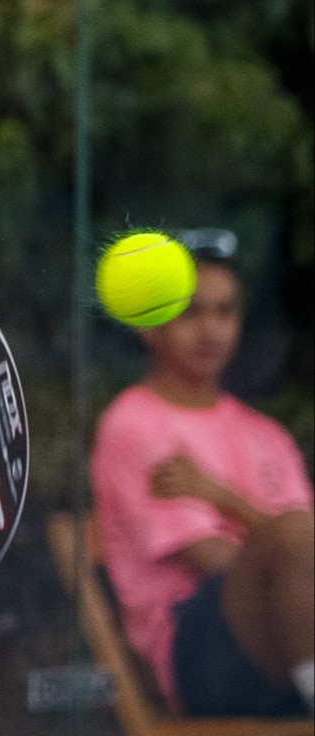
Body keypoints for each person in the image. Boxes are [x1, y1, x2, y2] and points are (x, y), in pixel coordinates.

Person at [90, 229, 314, 718]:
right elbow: (216, 559)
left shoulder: (268, 435)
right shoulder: (134, 423)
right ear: (150, 325)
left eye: (225, 312)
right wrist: (283, 543)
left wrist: (223, 498)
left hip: (284, 640)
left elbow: (303, 560)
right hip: (197, 647)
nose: (211, 330)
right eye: (190, 312)